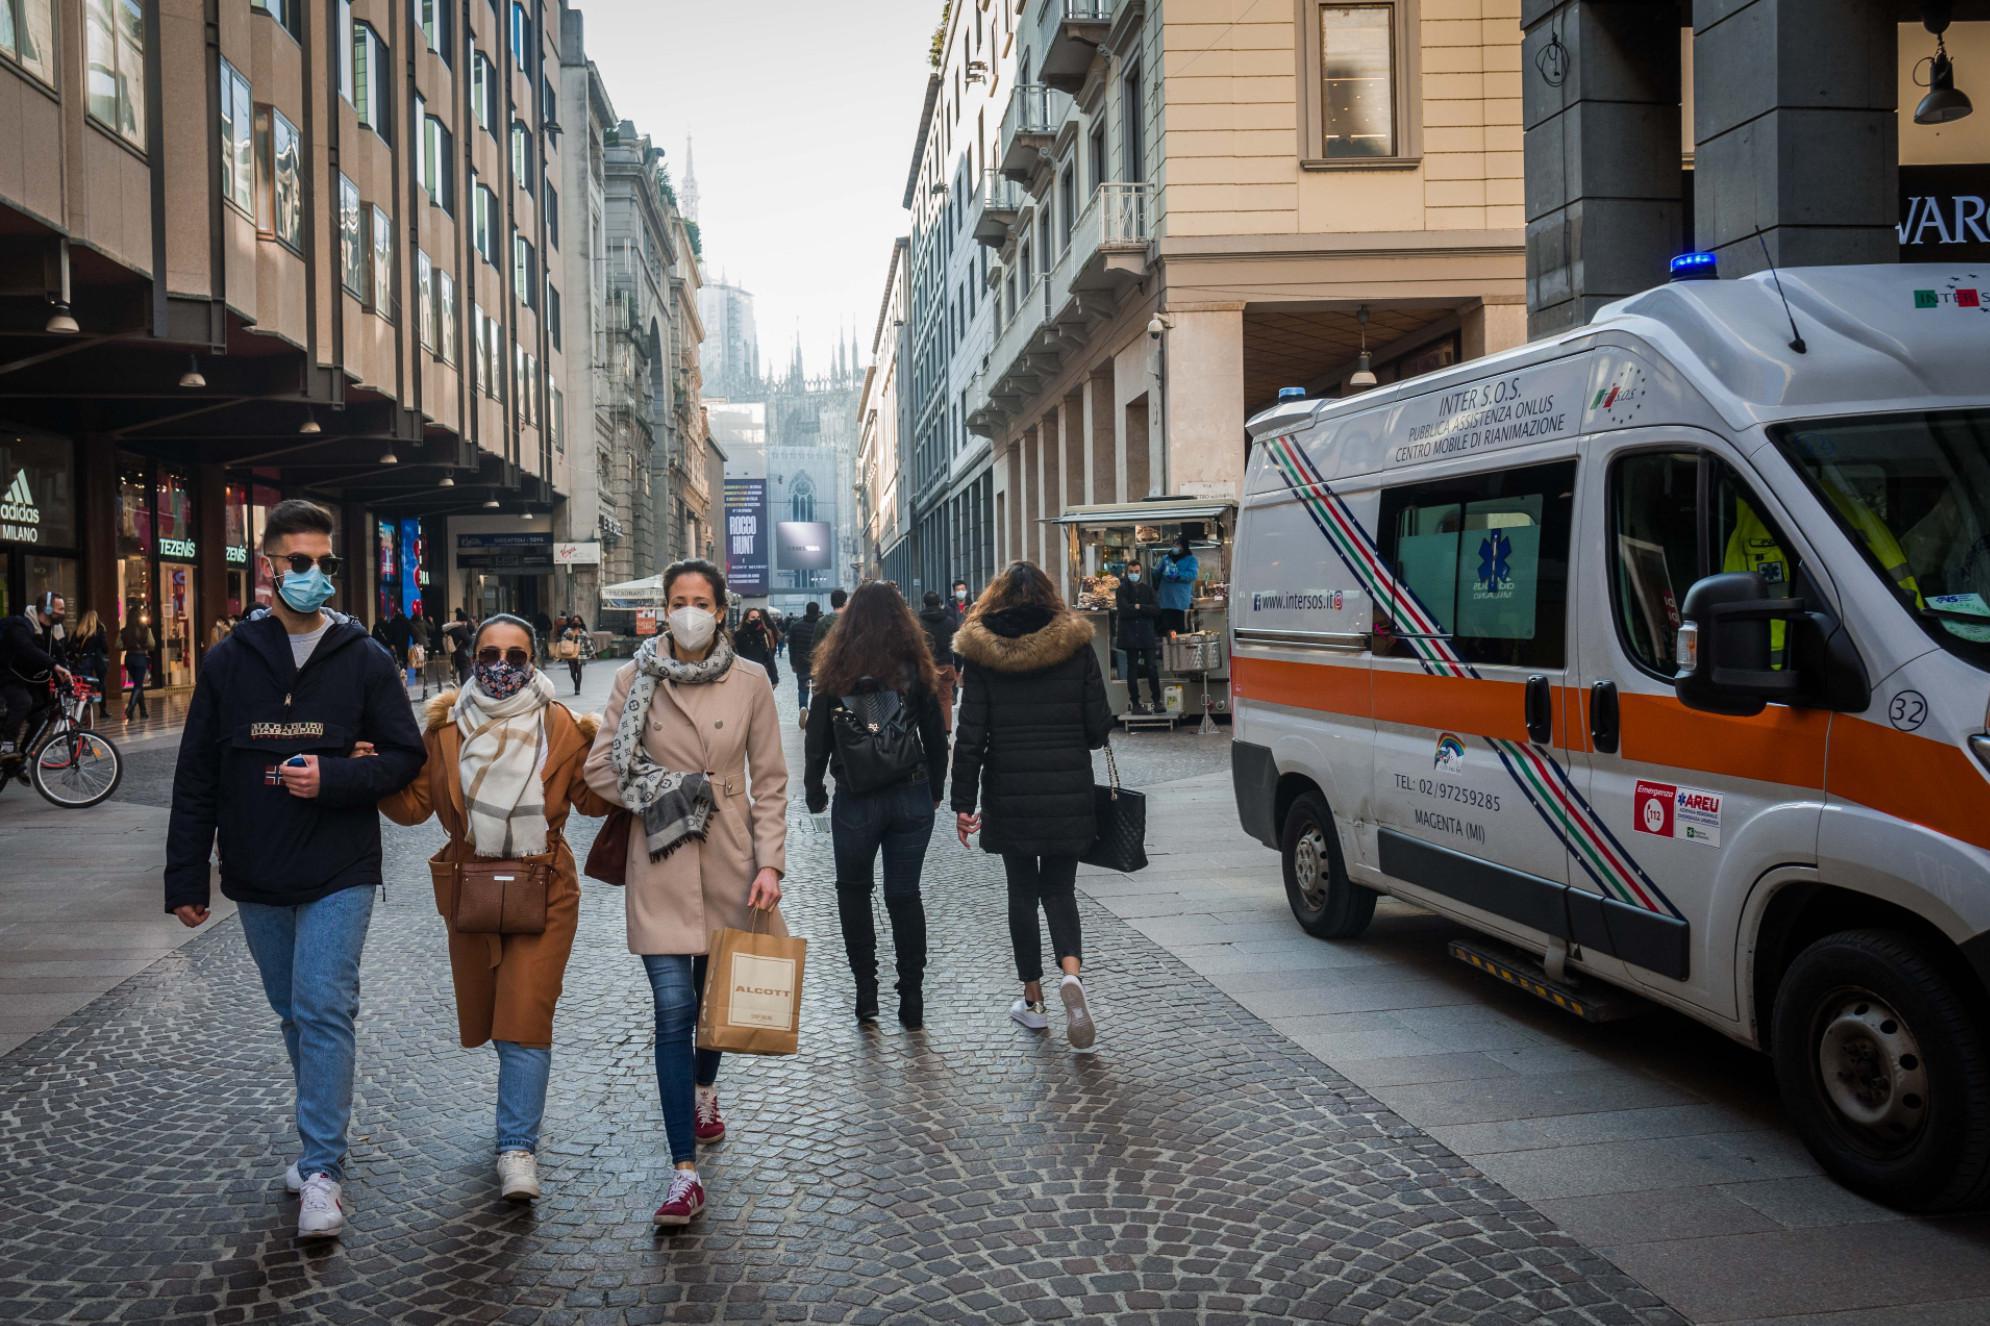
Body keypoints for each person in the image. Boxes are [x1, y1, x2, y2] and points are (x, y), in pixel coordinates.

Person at [163, 499, 425, 1241]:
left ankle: (322, 1170)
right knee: (292, 1011)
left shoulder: (365, 657)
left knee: (323, 1005)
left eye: (325, 563)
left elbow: (408, 755)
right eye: (299, 562)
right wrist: (186, 878)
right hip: (256, 866)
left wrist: (337, 779)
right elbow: (196, 776)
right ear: (269, 566)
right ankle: (317, 1146)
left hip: (341, 865)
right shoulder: (229, 660)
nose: (314, 576)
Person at [583, 558, 788, 1229]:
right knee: (673, 1007)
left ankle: (706, 1087)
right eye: (678, 600)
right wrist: (669, 791)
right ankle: (682, 1173)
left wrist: (772, 865)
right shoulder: (630, 678)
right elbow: (598, 768)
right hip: (663, 857)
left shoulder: (751, 681)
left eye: (701, 601)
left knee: (711, 1003)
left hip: (731, 860)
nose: (689, 611)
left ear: (722, 611)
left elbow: (771, 782)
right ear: (663, 608)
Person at [380, 613, 611, 1203]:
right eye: (490, 655)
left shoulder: (562, 726)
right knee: (490, 1010)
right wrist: (368, 769)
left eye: (515, 656)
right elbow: (413, 806)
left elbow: (589, 803)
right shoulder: (446, 730)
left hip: (545, 887)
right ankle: (515, 1136)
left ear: (533, 660)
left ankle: (517, 1148)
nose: (502, 667)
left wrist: (616, 751)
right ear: (472, 658)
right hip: (472, 889)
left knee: (525, 1016)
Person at [950, 562, 1113, 1052]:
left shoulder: (981, 653)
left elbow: (971, 736)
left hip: (1009, 792)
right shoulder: (1076, 644)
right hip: (1067, 790)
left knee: (1021, 894)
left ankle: (1035, 1001)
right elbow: (1097, 728)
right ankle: (1072, 974)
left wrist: (963, 802)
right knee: (1060, 889)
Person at [804, 584, 948, 1027]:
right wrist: (937, 788)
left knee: (853, 891)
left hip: (857, 796)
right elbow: (936, 735)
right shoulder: (915, 669)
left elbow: (817, 742)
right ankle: (912, 999)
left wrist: (815, 790)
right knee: (904, 896)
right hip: (910, 792)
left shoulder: (835, 670)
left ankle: (866, 994)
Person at [1, 592, 72, 768]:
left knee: (41, 716)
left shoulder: (53, 632)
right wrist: (54, 666)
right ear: (47, 609)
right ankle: (7, 746)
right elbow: (27, 649)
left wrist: (67, 681)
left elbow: (60, 657)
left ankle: (18, 761)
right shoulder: (22, 625)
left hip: (29, 681)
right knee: (22, 702)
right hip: (6, 676)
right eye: (60, 609)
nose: (64, 613)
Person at [1114, 558, 1164, 714]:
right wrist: (1143, 609)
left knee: (1152, 668)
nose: (1134, 574)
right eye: (1131, 572)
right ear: (1126, 572)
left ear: (1141, 572)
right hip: (1130, 635)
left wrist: (1138, 606)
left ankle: (1157, 701)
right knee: (1132, 669)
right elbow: (1123, 610)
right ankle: (1135, 703)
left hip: (1146, 634)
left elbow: (1156, 610)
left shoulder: (1148, 590)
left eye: (1136, 572)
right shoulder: (1121, 589)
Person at [916, 591, 959, 732]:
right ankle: (946, 731)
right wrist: (958, 668)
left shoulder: (918, 623)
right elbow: (957, 647)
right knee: (946, 700)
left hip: (926, 666)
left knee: (926, 700)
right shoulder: (950, 622)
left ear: (924, 603)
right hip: (946, 664)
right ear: (940, 603)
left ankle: (931, 732)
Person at [70, 609, 111, 722]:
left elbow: (72, 647)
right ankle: (102, 710)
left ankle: (84, 709)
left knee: (84, 686)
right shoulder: (99, 630)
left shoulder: (79, 631)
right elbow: (105, 648)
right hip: (97, 660)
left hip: (84, 660)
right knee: (101, 684)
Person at [1155, 535, 1200, 637]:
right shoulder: (1166, 558)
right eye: (1174, 544)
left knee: (1179, 633)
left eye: (1178, 544)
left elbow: (1192, 575)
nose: (1175, 546)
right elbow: (1157, 573)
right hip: (1165, 601)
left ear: (1184, 546)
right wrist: (1160, 571)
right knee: (1165, 631)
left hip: (1180, 602)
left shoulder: (1191, 560)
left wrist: (1178, 576)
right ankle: (1166, 652)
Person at [786, 601, 822, 727]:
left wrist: (793, 663)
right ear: (818, 611)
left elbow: (791, 646)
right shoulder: (821, 625)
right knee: (818, 688)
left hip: (801, 662)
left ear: (806, 610)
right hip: (818, 662)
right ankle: (815, 713)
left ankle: (803, 707)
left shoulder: (796, 626)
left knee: (802, 687)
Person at [119, 606, 156, 721]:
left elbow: (118, 645)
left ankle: (143, 711)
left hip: (129, 658)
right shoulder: (145, 629)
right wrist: (142, 646)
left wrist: (128, 645)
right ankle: (130, 708)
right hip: (140, 658)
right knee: (138, 685)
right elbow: (152, 644)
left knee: (137, 685)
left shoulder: (124, 631)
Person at [732, 607, 780, 687]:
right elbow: (734, 655)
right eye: (753, 617)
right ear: (746, 618)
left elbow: (768, 656)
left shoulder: (763, 634)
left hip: (759, 674)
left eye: (758, 617)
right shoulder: (739, 635)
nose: (756, 620)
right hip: (744, 674)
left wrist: (774, 677)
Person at [556, 616, 588, 695]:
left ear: (580, 622)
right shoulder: (568, 631)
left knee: (579, 670)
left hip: (580, 653)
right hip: (570, 653)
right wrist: (569, 636)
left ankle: (577, 688)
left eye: (577, 621)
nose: (576, 622)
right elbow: (563, 640)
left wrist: (592, 653)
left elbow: (587, 643)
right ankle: (576, 683)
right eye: (574, 621)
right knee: (573, 672)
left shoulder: (583, 632)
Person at [446, 608, 473, 685]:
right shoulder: (461, 628)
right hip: (462, 654)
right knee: (465, 671)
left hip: (454, 653)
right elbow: (468, 640)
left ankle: (454, 683)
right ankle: (464, 688)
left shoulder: (450, 628)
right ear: (462, 620)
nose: (465, 623)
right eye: (465, 621)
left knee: (457, 670)